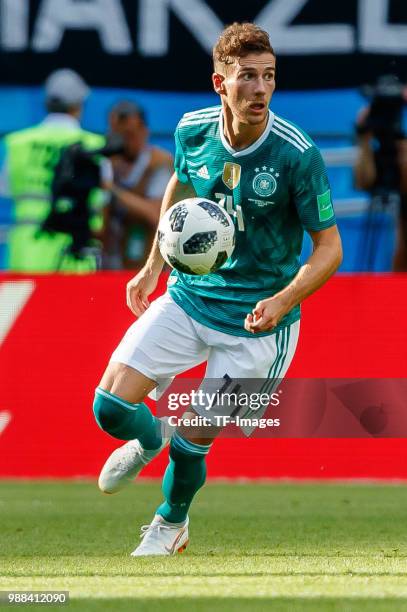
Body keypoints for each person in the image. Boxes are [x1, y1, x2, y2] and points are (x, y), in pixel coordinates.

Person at [93, 22, 343, 556]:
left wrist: (282, 301)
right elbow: (180, 187)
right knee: (109, 408)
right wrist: (153, 264)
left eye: (269, 76)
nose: (260, 89)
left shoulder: (297, 155)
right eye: (247, 77)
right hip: (190, 295)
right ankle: (148, 436)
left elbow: (330, 249)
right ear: (220, 83)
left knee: (193, 442)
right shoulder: (193, 130)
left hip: (257, 323)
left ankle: (170, 523)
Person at [0, 69, 110, 272]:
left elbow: (6, 189)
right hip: (77, 255)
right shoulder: (94, 145)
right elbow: (105, 198)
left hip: (25, 253)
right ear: (79, 105)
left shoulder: (19, 143)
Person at [103, 101, 173, 269]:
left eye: (128, 135)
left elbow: (155, 213)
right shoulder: (108, 164)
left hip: (149, 266)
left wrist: (112, 189)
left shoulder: (159, 162)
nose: (122, 142)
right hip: (113, 263)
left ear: (144, 131)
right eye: (116, 135)